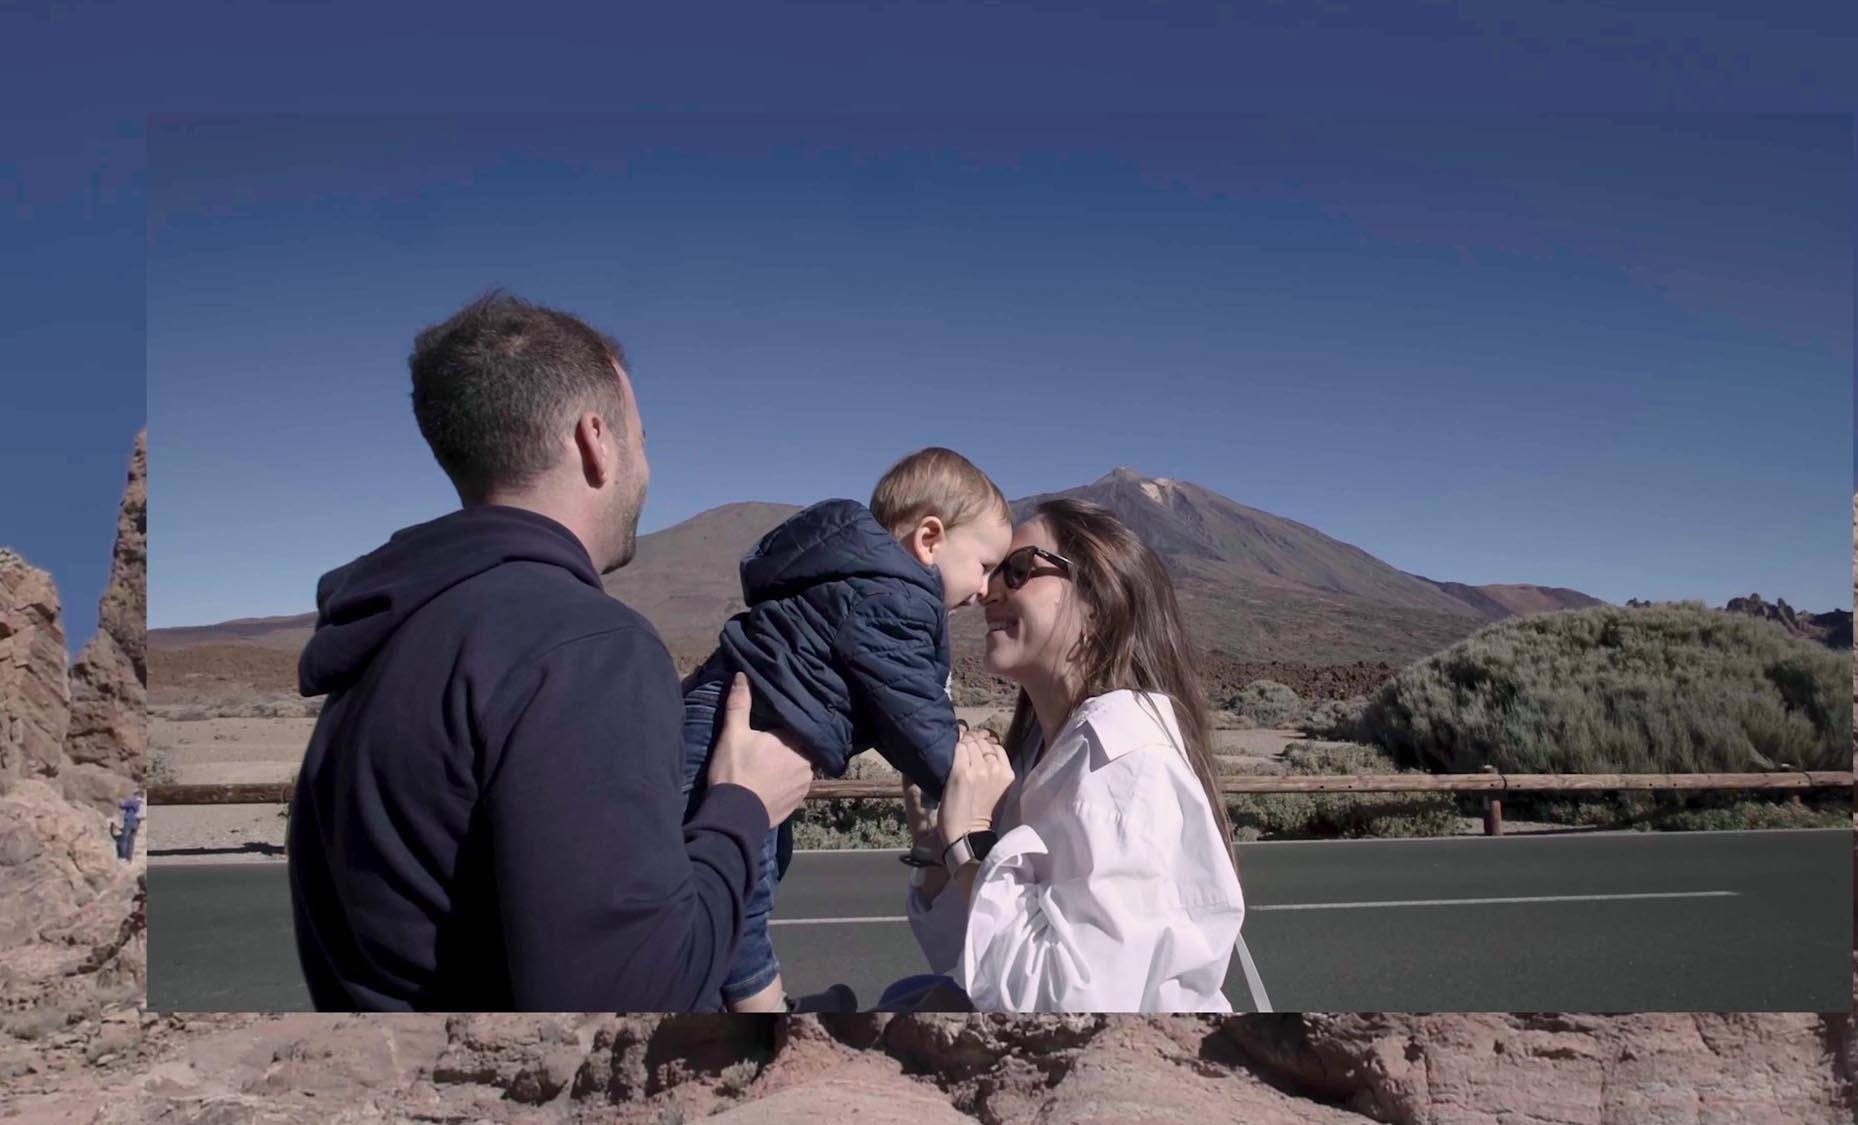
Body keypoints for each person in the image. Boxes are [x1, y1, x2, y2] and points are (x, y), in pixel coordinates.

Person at [285, 291, 813, 1012]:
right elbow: (630, 996)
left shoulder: (384, 634)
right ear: (596, 440)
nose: (647, 468)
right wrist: (744, 806)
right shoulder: (583, 649)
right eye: (641, 439)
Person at [678, 447, 1014, 1011]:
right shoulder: (895, 601)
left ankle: (728, 1001)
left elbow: (894, 703)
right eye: (984, 566)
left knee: (756, 869)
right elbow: (914, 720)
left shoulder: (862, 582)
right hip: (734, 734)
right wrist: (976, 777)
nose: (986, 590)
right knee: (737, 892)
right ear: (930, 539)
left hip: (728, 719)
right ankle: (760, 1013)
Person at [895, 498, 1245, 1012]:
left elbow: (1073, 1000)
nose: (987, 591)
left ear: (1097, 602)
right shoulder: (1041, 753)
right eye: (991, 571)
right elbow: (971, 961)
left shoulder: (1126, 766)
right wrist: (937, 850)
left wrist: (969, 840)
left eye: (1018, 570)